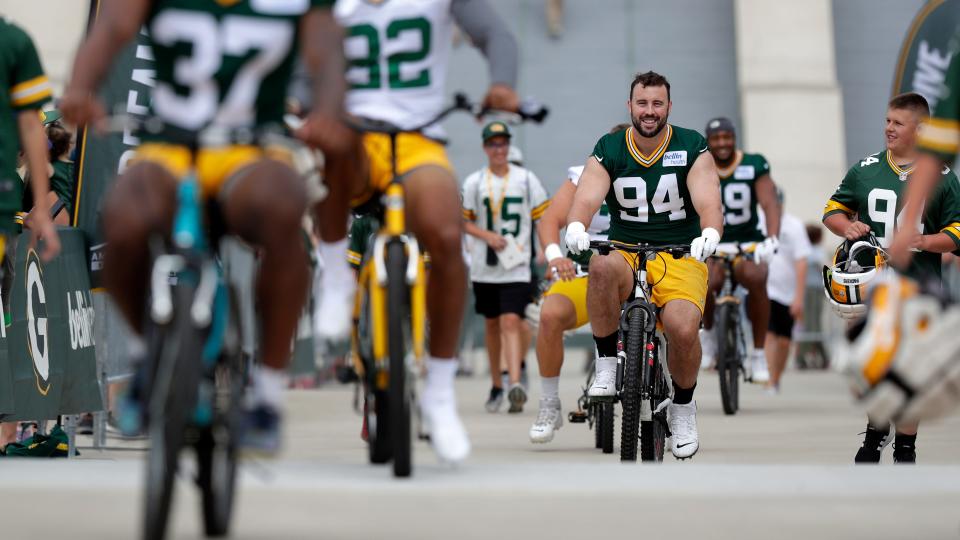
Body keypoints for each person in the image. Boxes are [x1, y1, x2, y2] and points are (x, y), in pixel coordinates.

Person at [61, 0, 351, 454]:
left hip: (252, 144)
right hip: (172, 141)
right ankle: (145, 358)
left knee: (283, 213)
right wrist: (80, 86)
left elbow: (327, 51)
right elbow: (112, 26)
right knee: (120, 217)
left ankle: (268, 395)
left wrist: (330, 109)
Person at [333, 0, 520, 463]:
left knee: (444, 229)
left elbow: (497, 34)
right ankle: (332, 281)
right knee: (324, 155)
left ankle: (439, 389)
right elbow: (301, 49)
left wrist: (501, 84)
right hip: (354, 133)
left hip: (418, 139)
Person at [565, 71, 723, 459]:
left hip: (679, 251)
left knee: (685, 329)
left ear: (668, 106)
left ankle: (684, 405)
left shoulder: (691, 145)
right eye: (642, 103)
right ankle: (606, 365)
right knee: (600, 268)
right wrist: (575, 224)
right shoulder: (610, 146)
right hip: (626, 248)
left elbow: (708, 200)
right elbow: (586, 196)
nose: (649, 111)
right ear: (630, 106)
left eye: (657, 104)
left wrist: (710, 232)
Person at [822, 92, 960, 464]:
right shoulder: (865, 169)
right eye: (887, 121)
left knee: (912, 367)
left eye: (897, 123)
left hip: (919, 285)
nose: (888, 129)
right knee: (875, 363)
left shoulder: (944, 179)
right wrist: (847, 227)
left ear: (920, 129)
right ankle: (875, 432)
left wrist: (927, 240)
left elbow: (958, 230)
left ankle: (905, 446)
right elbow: (833, 210)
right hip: (874, 285)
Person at [527, 124, 623, 444]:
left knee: (668, 322)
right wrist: (555, 257)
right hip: (587, 272)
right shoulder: (584, 175)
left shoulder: (658, 173)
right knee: (550, 315)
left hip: (640, 274)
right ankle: (549, 403)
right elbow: (550, 221)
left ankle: (669, 403)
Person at [0, 16, 62, 452]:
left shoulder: (14, 43)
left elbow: (33, 130)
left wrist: (40, 205)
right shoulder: (15, 42)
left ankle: (7, 431)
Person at [463, 121, 548, 414]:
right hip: (485, 266)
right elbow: (463, 220)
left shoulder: (526, 179)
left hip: (517, 265)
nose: (499, 149)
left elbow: (543, 216)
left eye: (503, 143)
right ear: (486, 148)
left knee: (512, 320)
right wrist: (486, 236)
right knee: (491, 324)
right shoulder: (475, 181)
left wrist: (545, 251)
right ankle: (496, 384)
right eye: (493, 144)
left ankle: (514, 383)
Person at [698, 117, 780, 382]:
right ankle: (709, 334)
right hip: (713, 240)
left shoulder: (753, 163)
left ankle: (757, 354)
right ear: (708, 142)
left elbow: (769, 202)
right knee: (708, 281)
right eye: (716, 138)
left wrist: (773, 237)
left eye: (727, 137)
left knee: (756, 278)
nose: (722, 143)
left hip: (747, 241)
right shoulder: (700, 165)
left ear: (734, 137)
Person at [763, 187, 811, 393]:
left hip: (788, 293)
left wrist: (799, 297)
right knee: (768, 334)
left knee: (783, 341)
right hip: (764, 288)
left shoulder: (794, 226)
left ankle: (776, 377)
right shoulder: (758, 223)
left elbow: (802, 261)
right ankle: (769, 380)